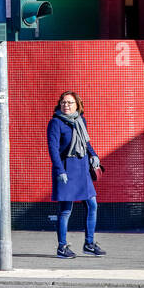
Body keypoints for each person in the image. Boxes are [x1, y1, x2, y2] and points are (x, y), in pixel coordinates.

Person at [47, 90, 106, 257]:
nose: (66, 105)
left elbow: (85, 142)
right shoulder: (55, 123)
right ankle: (62, 247)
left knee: (92, 204)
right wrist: (59, 170)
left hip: (81, 169)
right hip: (66, 169)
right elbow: (53, 149)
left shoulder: (80, 121)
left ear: (77, 105)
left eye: (70, 103)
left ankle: (89, 243)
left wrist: (94, 155)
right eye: (63, 102)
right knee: (65, 210)